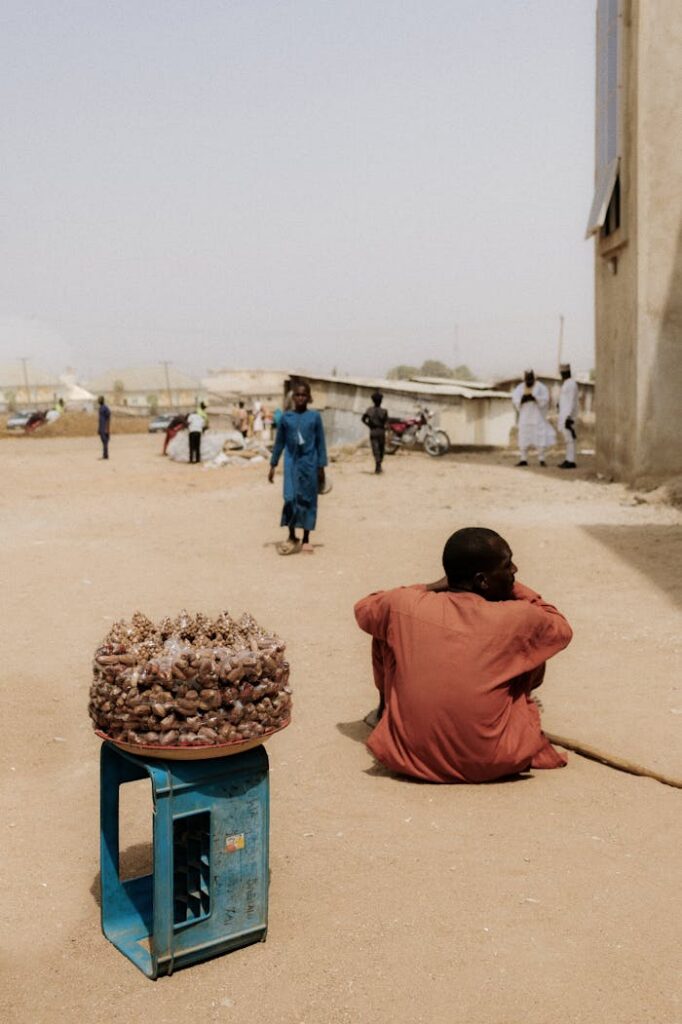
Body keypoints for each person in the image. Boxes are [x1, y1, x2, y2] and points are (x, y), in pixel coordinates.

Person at [354, 527, 572, 783]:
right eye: (507, 565)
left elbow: (366, 607)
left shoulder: (403, 604)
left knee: (385, 626)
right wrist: (513, 589)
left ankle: (385, 712)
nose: (514, 570)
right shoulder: (518, 617)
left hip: (409, 757)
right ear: (482, 581)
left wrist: (434, 586)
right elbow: (559, 627)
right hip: (495, 760)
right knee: (536, 640)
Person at [267, 380, 328, 555]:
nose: (301, 398)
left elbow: (320, 443)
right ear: (293, 397)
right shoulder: (286, 418)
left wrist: (321, 467)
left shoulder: (314, 417)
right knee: (290, 498)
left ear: (309, 398)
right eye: (298, 395)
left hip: (309, 462)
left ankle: (307, 538)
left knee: (307, 499)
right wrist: (273, 464)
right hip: (291, 463)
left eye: (304, 395)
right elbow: (279, 443)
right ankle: (292, 535)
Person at [511, 370, 556, 466]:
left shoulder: (541, 387)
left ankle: (541, 459)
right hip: (525, 417)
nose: (529, 381)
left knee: (540, 436)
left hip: (537, 416)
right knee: (523, 436)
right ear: (525, 378)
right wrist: (523, 399)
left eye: (530, 379)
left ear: (533, 377)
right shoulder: (520, 387)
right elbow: (515, 400)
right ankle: (523, 459)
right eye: (527, 379)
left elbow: (545, 399)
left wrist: (535, 398)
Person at [557, 363, 579, 469]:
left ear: (566, 372)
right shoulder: (567, 383)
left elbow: (571, 401)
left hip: (568, 416)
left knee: (570, 439)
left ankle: (571, 461)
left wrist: (569, 417)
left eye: (562, 373)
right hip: (565, 414)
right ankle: (568, 459)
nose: (562, 375)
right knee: (568, 439)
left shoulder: (571, 384)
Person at [362, 390, 389, 474]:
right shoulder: (384, 411)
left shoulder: (369, 410)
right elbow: (386, 423)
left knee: (375, 449)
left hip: (373, 431)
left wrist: (369, 425)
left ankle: (378, 465)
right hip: (381, 431)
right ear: (381, 401)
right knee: (381, 449)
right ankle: (379, 465)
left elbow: (363, 419)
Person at [97, 395, 111, 460]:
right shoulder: (100, 408)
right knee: (103, 442)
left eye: (99, 400)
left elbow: (108, 418)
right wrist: (99, 429)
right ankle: (104, 454)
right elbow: (100, 420)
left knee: (105, 442)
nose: (98, 401)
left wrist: (107, 429)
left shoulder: (105, 408)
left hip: (105, 428)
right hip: (101, 427)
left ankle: (105, 455)